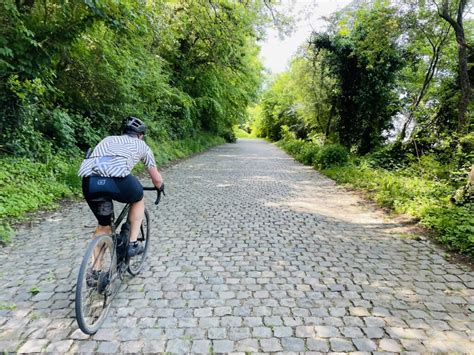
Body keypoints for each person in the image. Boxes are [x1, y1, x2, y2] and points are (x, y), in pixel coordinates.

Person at [78, 116, 163, 257]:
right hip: (116, 182)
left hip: (90, 182)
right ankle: (132, 244)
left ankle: (95, 272)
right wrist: (160, 187)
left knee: (104, 227)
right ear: (140, 136)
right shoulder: (142, 146)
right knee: (138, 197)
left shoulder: (107, 139)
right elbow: (156, 179)